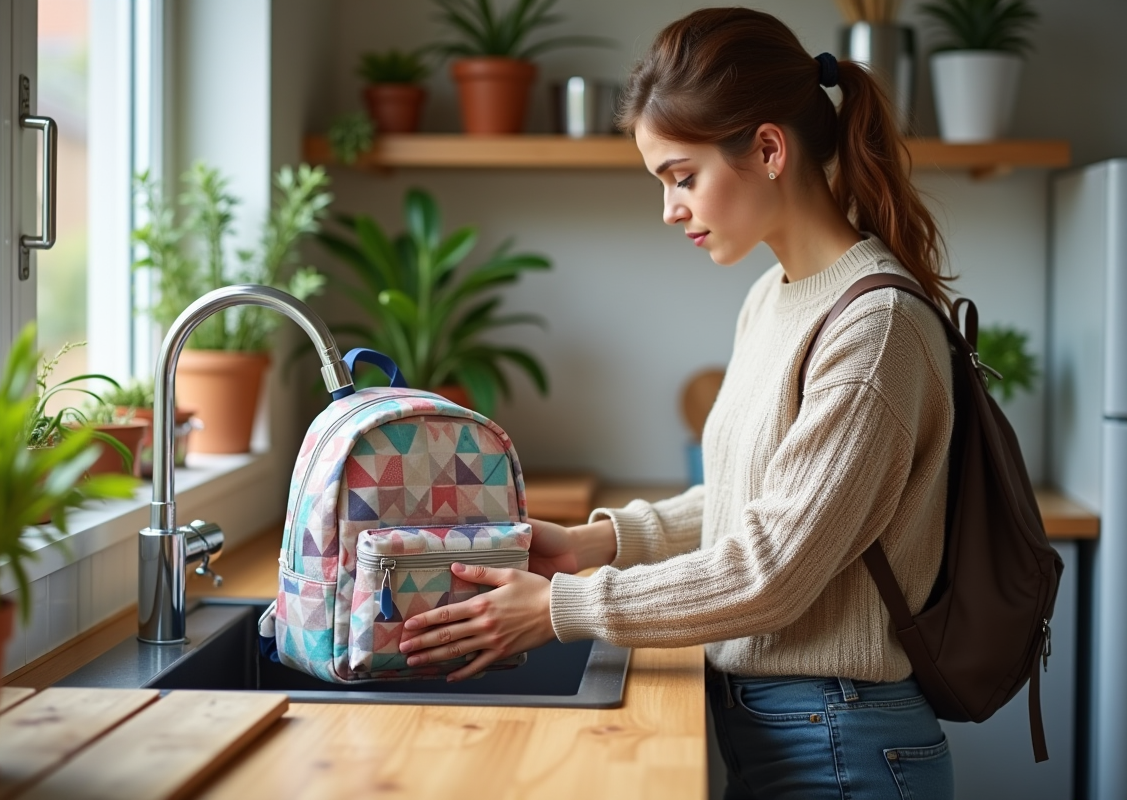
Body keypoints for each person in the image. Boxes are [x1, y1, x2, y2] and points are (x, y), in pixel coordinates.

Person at [399, 7, 956, 798]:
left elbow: (772, 574)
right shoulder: (776, 296)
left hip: (842, 742)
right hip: (784, 725)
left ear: (768, 149)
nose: (670, 210)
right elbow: (754, 502)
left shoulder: (876, 328)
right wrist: (597, 544)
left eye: (682, 177)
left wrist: (563, 606)